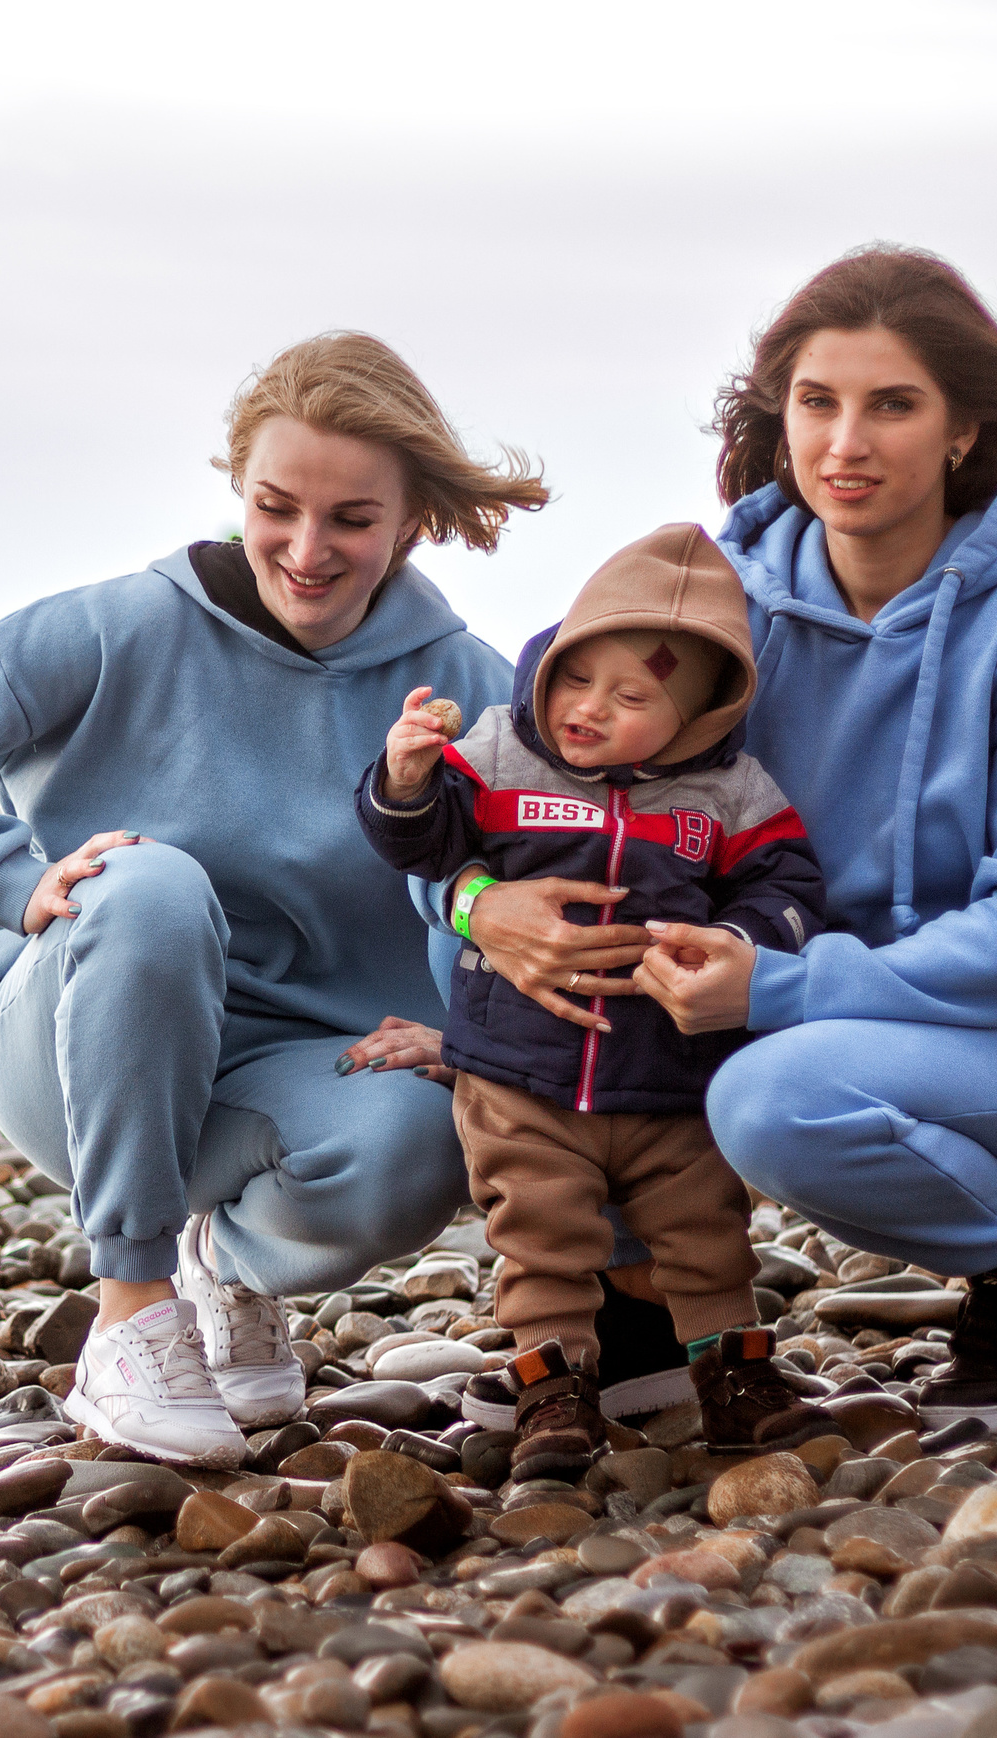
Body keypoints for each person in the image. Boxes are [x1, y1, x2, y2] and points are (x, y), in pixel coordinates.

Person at [499, 245, 997, 1433]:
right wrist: (477, 912)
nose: (844, 443)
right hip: (791, 997)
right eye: (817, 402)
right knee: (516, 956)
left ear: (962, 427)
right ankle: (635, 1298)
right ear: (780, 414)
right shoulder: (719, 604)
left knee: (776, 1102)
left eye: (891, 404)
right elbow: (492, 782)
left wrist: (776, 989)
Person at [0, 333, 544, 1467]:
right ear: (238, 488)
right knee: (151, 883)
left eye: (352, 521)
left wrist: (471, 1033)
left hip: (292, 1076)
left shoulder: (469, 691)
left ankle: (221, 1265)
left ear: (411, 520)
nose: (308, 549)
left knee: (424, 1138)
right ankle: (131, 1310)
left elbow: (532, 893)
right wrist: (9, 880)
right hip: (70, 1044)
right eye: (278, 506)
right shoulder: (118, 625)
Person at [357, 523, 838, 1480]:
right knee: (538, 1239)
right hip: (521, 1077)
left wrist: (742, 943)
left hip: (671, 1077)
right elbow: (422, 846)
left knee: (706, 1237)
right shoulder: (497, 753)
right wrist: (406, 777)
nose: (589, 709)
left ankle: (734, 1385)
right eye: (579, 678)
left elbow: (788, 888)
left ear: (695, 721)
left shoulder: (730, 793)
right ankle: (551, 1396)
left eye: (633, 697)